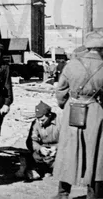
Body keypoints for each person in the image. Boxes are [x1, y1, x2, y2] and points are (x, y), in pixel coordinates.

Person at [52, 31, 103, 199]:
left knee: (68, 150)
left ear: (87, 46)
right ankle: (93, 195)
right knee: (95, 153)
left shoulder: (72, 64)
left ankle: (63, 193)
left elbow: (60, 90)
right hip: (95, 112)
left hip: (72, 109)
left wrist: (64, 105)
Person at [18, 101, 61, 181]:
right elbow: (31, 141)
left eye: (42, 120)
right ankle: (35, 169)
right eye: (38, 119)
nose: (40, 122)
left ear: (49, 115)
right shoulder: (36, 123)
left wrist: (56, 148)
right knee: (32, 156)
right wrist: (40, 148)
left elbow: (67, 141)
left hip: (57, 152)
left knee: (62, 165)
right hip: (42, 151)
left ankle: (46, 170)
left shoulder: (60, 121)